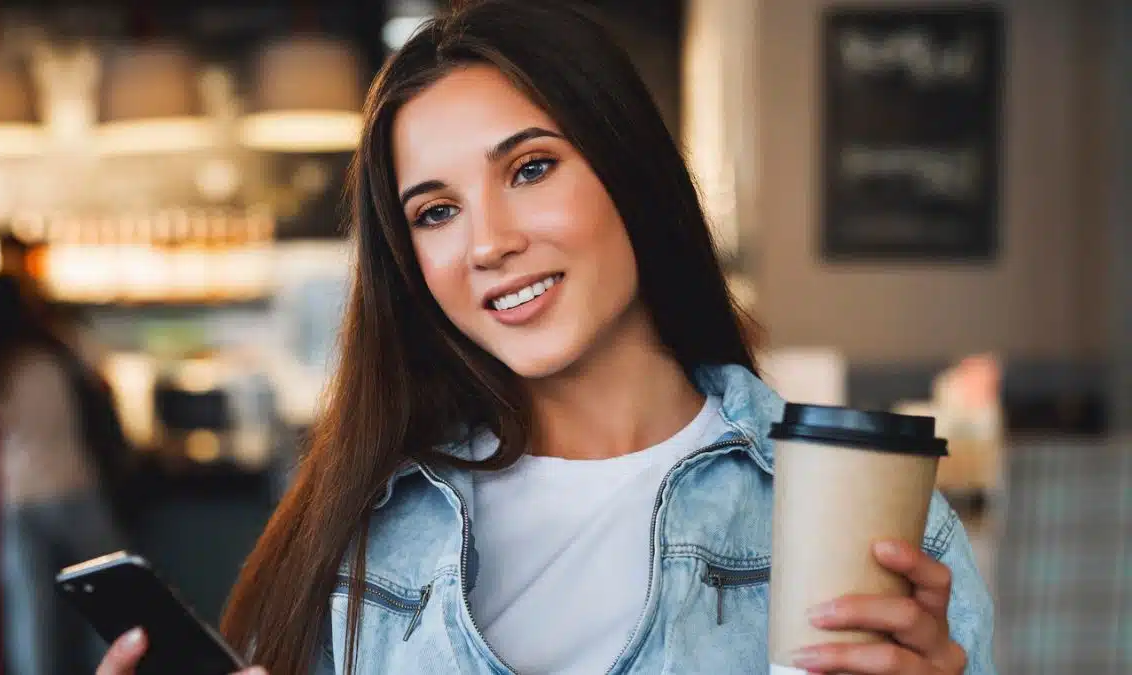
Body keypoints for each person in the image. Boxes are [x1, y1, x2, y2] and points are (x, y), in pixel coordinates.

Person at [100, 1, 994, 673]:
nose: (488, 242)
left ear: (626, 167)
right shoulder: (360, 525)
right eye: (437, 210)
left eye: (530, 168)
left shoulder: (864, 515)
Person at [0, 273, 130, 675]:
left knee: (31, 618)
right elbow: (102, 399)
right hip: (72, 486)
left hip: (17, 497)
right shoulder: (54, 354)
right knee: (113, 602)